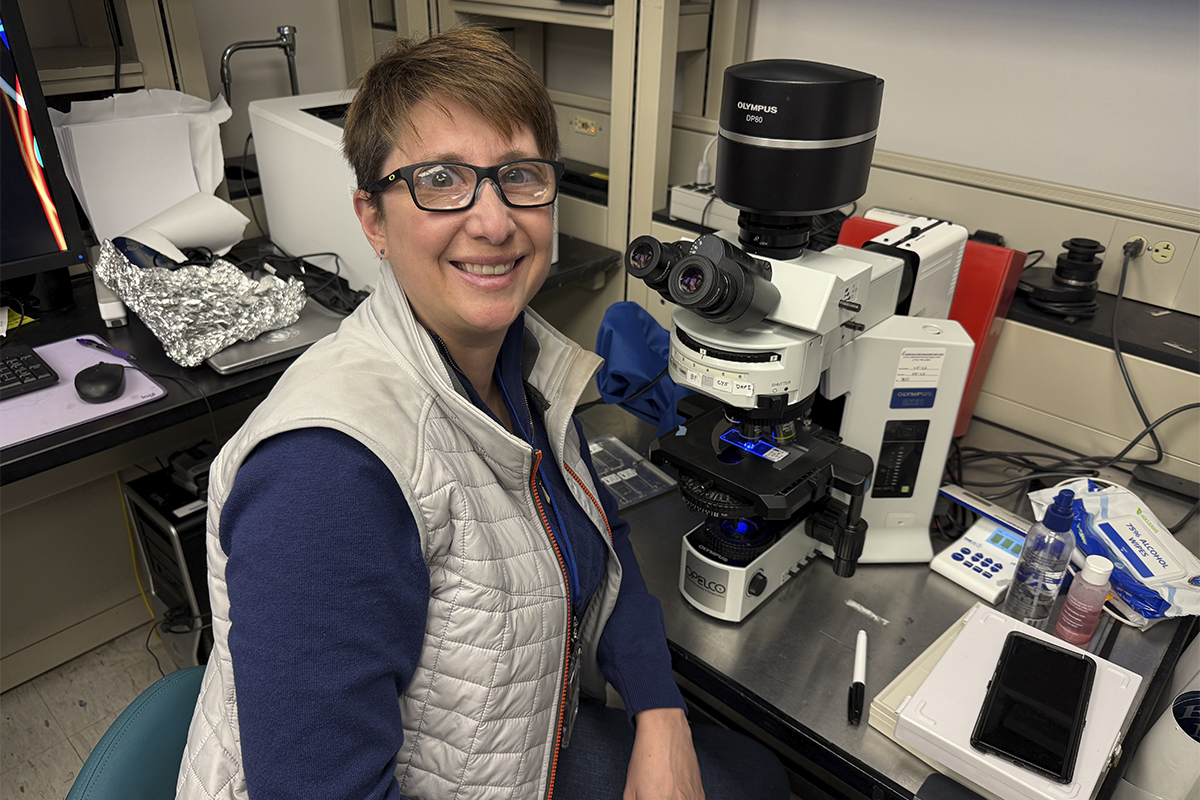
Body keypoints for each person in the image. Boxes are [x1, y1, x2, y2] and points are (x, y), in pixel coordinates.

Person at [176, 27, 790, 800]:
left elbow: (605, 533)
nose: (495, 221)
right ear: (372, 218)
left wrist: (660, 714)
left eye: (520, 177)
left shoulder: (521, 362)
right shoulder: (327, 475)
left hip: (521, 745)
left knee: (753, 774)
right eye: (440, 179)